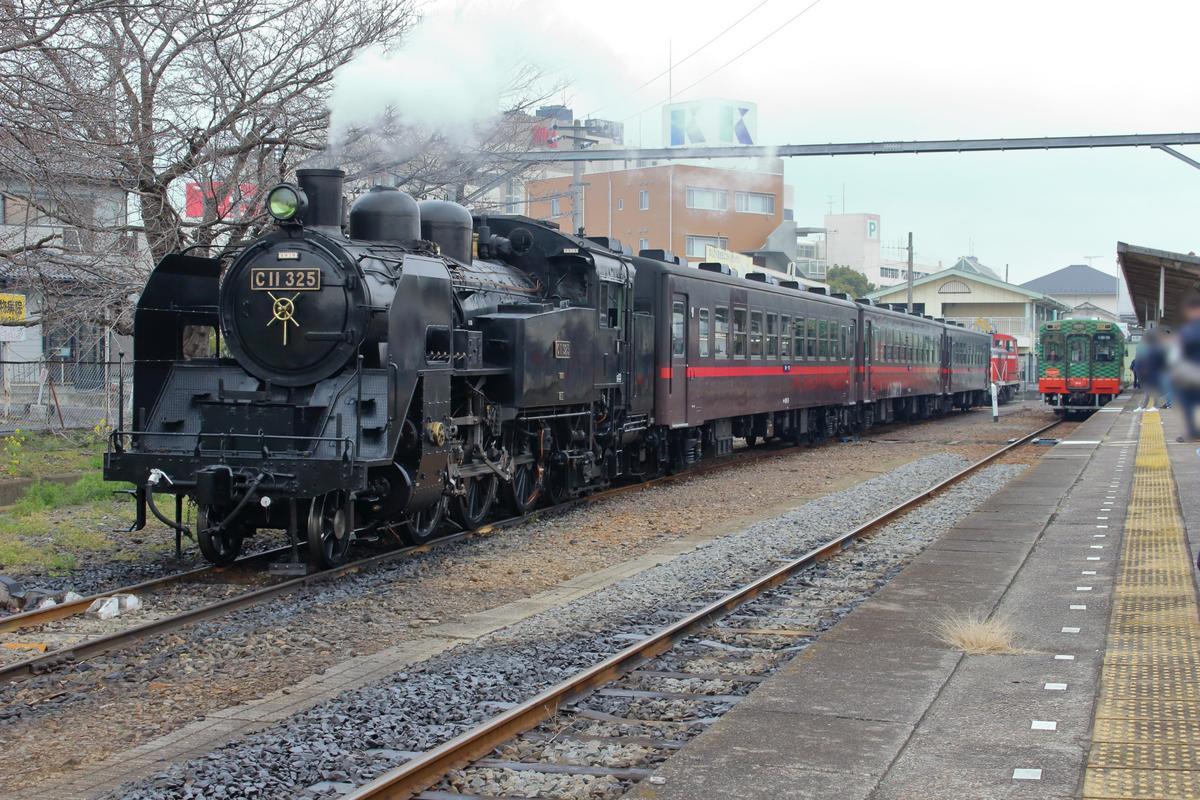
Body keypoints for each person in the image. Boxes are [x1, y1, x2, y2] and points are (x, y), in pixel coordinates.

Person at [1171, 290, 1200, 441]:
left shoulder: (1189, 330)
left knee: (1185, 399)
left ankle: (1193, 432)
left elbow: (1178, 354)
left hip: (1193, 373)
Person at [1135, 330, 1165, 411]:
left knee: (1152, 390)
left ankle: (1154, 406)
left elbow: (1160, 361)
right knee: (1148, 390)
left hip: (1153, 373)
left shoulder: (1154, 348)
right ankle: (1144, 406)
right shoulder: (1153, 348)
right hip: (1150, 373)